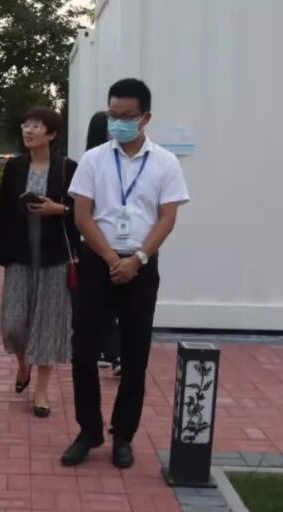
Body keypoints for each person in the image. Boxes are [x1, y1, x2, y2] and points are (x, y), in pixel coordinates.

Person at [62, 78, 190, 470]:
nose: (118, 122)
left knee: (135, 355)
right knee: (83, 351)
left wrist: (137, 259)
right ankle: (88, 431)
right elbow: (82, 215)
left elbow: (167, 219)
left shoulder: (165, 162)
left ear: (145, 117)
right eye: (112, 115)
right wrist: (108, 257)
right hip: (97, 263)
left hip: (141, 267)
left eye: (127, 116)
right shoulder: (94, 159)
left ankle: (123, 435)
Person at [0, 107, 79, 418]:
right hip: (19, 255)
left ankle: (41, 390)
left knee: (48, 324)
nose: (28, 130)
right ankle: (23, 365)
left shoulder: (68, 168)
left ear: (51, 134)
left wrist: (60, 210)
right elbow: (1, 211)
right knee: (13, 324)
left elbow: (85, 211)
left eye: (36, 125)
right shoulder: (15, 167)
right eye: (26, 124)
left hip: (55, 258)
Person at [86, 111, 123, 377]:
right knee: (102, 303)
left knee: (120, 304)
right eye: (111, 125)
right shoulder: (92, 163)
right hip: (96, 243)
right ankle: (106, 351)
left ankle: (115, 352)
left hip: (125, 244)